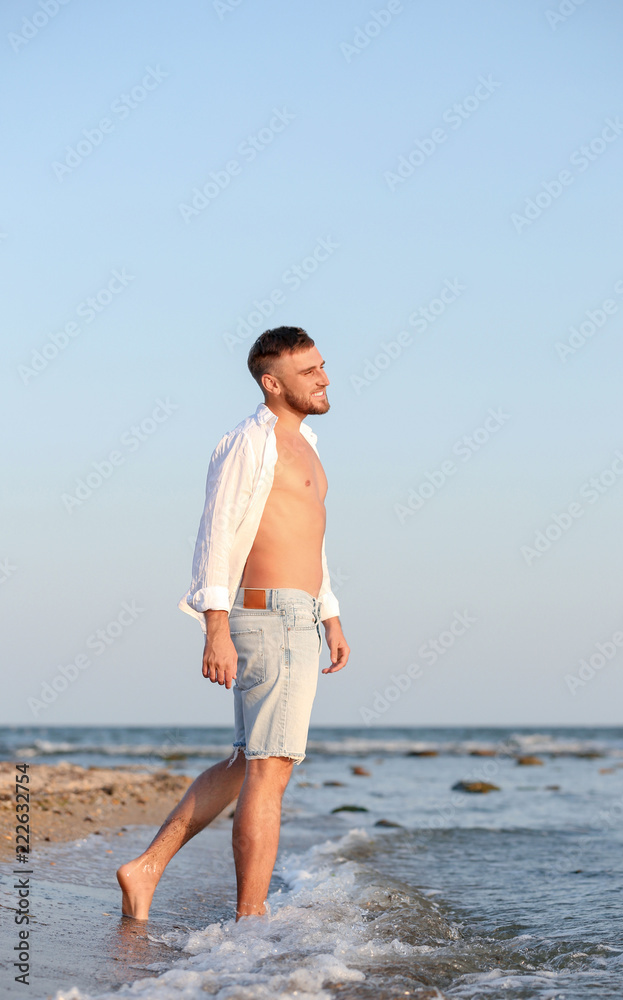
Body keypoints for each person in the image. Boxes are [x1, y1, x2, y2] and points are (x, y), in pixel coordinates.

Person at [117, 326, 350, 921]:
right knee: (271, 771)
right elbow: (216, 534)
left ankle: (144, 870)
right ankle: (251, 924)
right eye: (309, 372)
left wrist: (331, 614)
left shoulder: (309, 445)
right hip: (267, 616)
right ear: (273, 384)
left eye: (323, 365)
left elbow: (308, 542)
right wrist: (214, 628)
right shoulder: (252, 442)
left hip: (294, 614)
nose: (324, 377)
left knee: (247, 761)